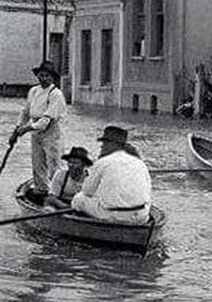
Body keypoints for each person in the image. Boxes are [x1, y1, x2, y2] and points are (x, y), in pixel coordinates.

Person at [10, 60, 67, 202]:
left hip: (52, 133)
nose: (44, 79)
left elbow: (46, 120)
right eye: (41, 75)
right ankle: (41, 190)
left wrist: (27, 128)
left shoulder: (56, 94)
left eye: (47, 76)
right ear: (38, 76)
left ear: (52, 78)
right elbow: (25, 112)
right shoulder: (33, 91)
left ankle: (58, 193)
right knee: (37, 163)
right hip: (36, 132)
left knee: (54, 163)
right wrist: (17, 130)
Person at [71, 125, 152, 224]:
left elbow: (87, 191)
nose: (102, 146)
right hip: (141, 215)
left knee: (78, 198)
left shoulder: (103, 162)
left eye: (105, 143)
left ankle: (83, 221)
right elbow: (148, 192)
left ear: (113, 144)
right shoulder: (140, 162)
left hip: (114, 216)